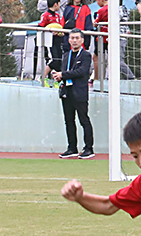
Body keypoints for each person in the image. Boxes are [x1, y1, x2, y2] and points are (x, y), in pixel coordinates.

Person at [52, 28, 94, 159]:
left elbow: (81, 72)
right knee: (69, 121)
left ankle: (89, 148)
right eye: (72, 38)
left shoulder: (86, 55)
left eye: (77, 38)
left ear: (82, 40)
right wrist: (59, 77)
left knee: (84, 120)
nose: (74, 40)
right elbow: (65, 72)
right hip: (67, 92)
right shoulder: (66, 55)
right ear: (69, 40)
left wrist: (63, 74)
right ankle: (72, 148)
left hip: (79, 92)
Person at [38, 0, 64, 86]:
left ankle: (56, 80)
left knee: (59, 60)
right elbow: (40, 27)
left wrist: (61, 33)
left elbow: (60, 27)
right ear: (55, 4)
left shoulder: (57, 15)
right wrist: (49, 31)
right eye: (59, 3)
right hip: (50, 42)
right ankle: (43, 77)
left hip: (58, 41)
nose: (60, 5)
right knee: (54, 60)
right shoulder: (45, 15)